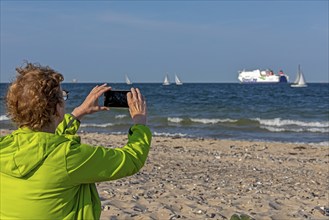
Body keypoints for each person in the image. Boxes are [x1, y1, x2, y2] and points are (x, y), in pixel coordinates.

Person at [0, 62, 152, 219]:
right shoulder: (68, 157)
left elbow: (44, 142)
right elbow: (131, 159)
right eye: (63, 95)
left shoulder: (4, 148)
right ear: (57, 108)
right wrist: (139, 123)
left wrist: (78, 113)